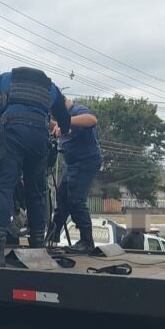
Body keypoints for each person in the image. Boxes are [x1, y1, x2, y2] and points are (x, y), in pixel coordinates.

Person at [0, 67, 72, 267]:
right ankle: (38, 247)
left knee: (3, 188)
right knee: (36, 192)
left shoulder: (4, 78)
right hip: (39, 137)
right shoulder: (51, 87)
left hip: (13, 133)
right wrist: (63, 129)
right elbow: (64, 117)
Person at [48, 99, 103, 254]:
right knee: (62, 198)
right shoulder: (61, 117)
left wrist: (64, 121)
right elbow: (57, 126)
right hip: (72, 163)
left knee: (76, 200)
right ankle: (52, 236)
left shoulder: (78, 110)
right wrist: (49, 123)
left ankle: (87, 241)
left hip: (86, 161)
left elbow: (92, 120)